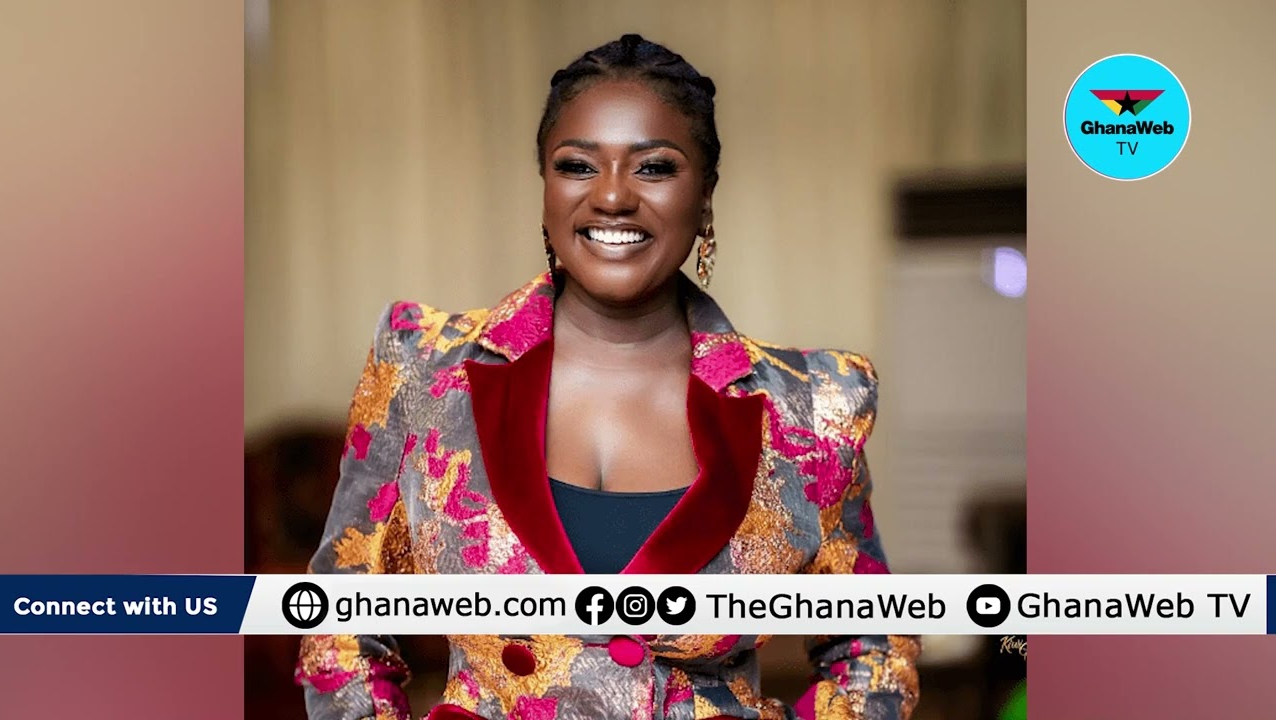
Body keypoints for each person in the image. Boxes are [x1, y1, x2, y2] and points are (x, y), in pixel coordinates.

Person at [295, 33, 920, 720]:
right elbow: (340, 629)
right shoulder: (423, 369)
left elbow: (874, 647)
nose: (613, 195)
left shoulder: (813, 409)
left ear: (705, 197)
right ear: (545, 190)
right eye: (577, 166)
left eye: (654, 167)